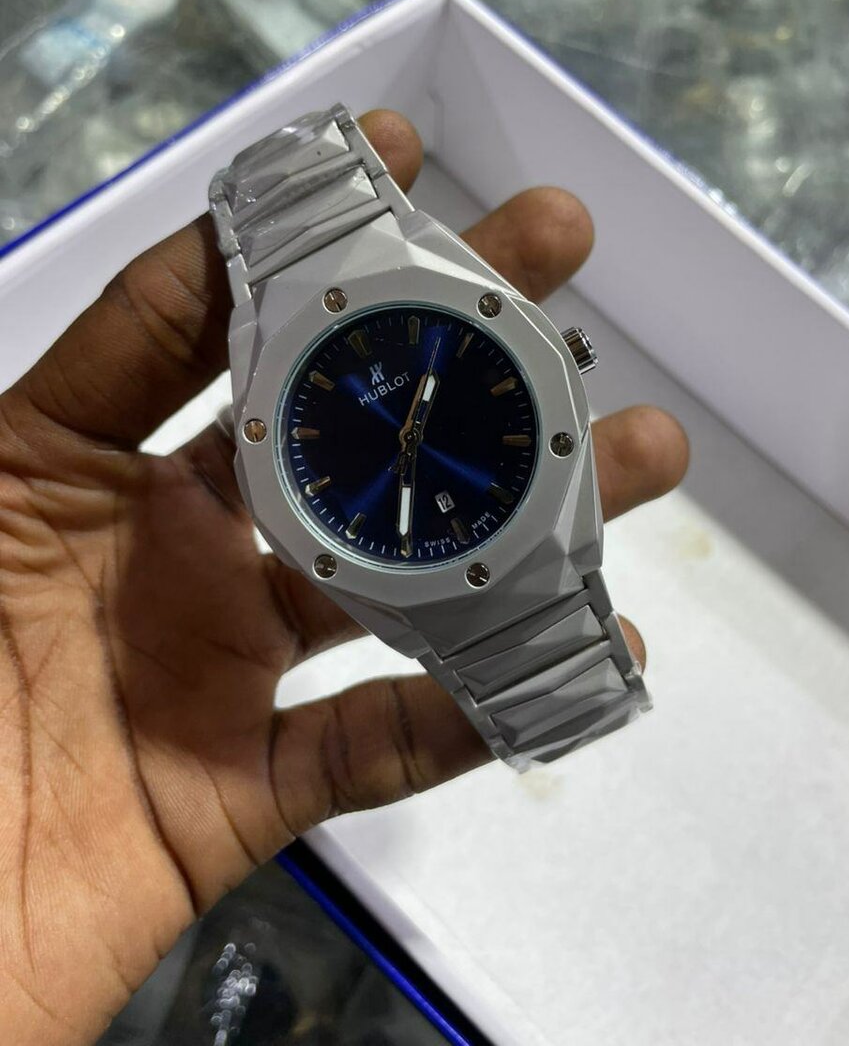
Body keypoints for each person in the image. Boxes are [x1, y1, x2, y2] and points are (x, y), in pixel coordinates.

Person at [0, 109, 689, 1044]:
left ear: (566, 360)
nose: (410, 441)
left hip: (452, 527)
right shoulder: (297, 460)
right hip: (421, 539)